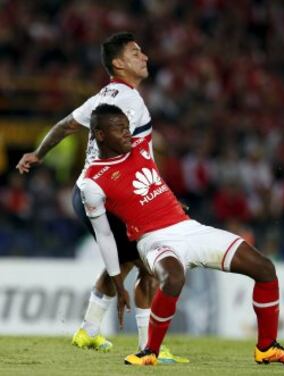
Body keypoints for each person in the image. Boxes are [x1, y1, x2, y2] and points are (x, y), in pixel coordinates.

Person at [81, 103, 284, 366]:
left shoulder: (142, 147)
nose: (126, 133)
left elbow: (143, 114)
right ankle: (150, 351)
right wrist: (117, 282)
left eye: (126, 127)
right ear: (99, 134)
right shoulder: (93, 181)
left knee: (265, 268)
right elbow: (106, 236)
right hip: (153, 239)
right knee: (174, 277)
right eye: (118, 129)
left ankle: (267, 347)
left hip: (190, 228)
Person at [16, 32, 188, 363]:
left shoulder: (104, 96)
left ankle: (89, 330)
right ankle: (149, 346)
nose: (145, 56)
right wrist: (160, 197)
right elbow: (137, 160)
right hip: (111, 194)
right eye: (136, 52)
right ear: (118, 63)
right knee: (149, 264)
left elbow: (66, 125)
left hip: (88, 191)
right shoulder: (130, 101)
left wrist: (38, 153)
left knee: (125, 262)